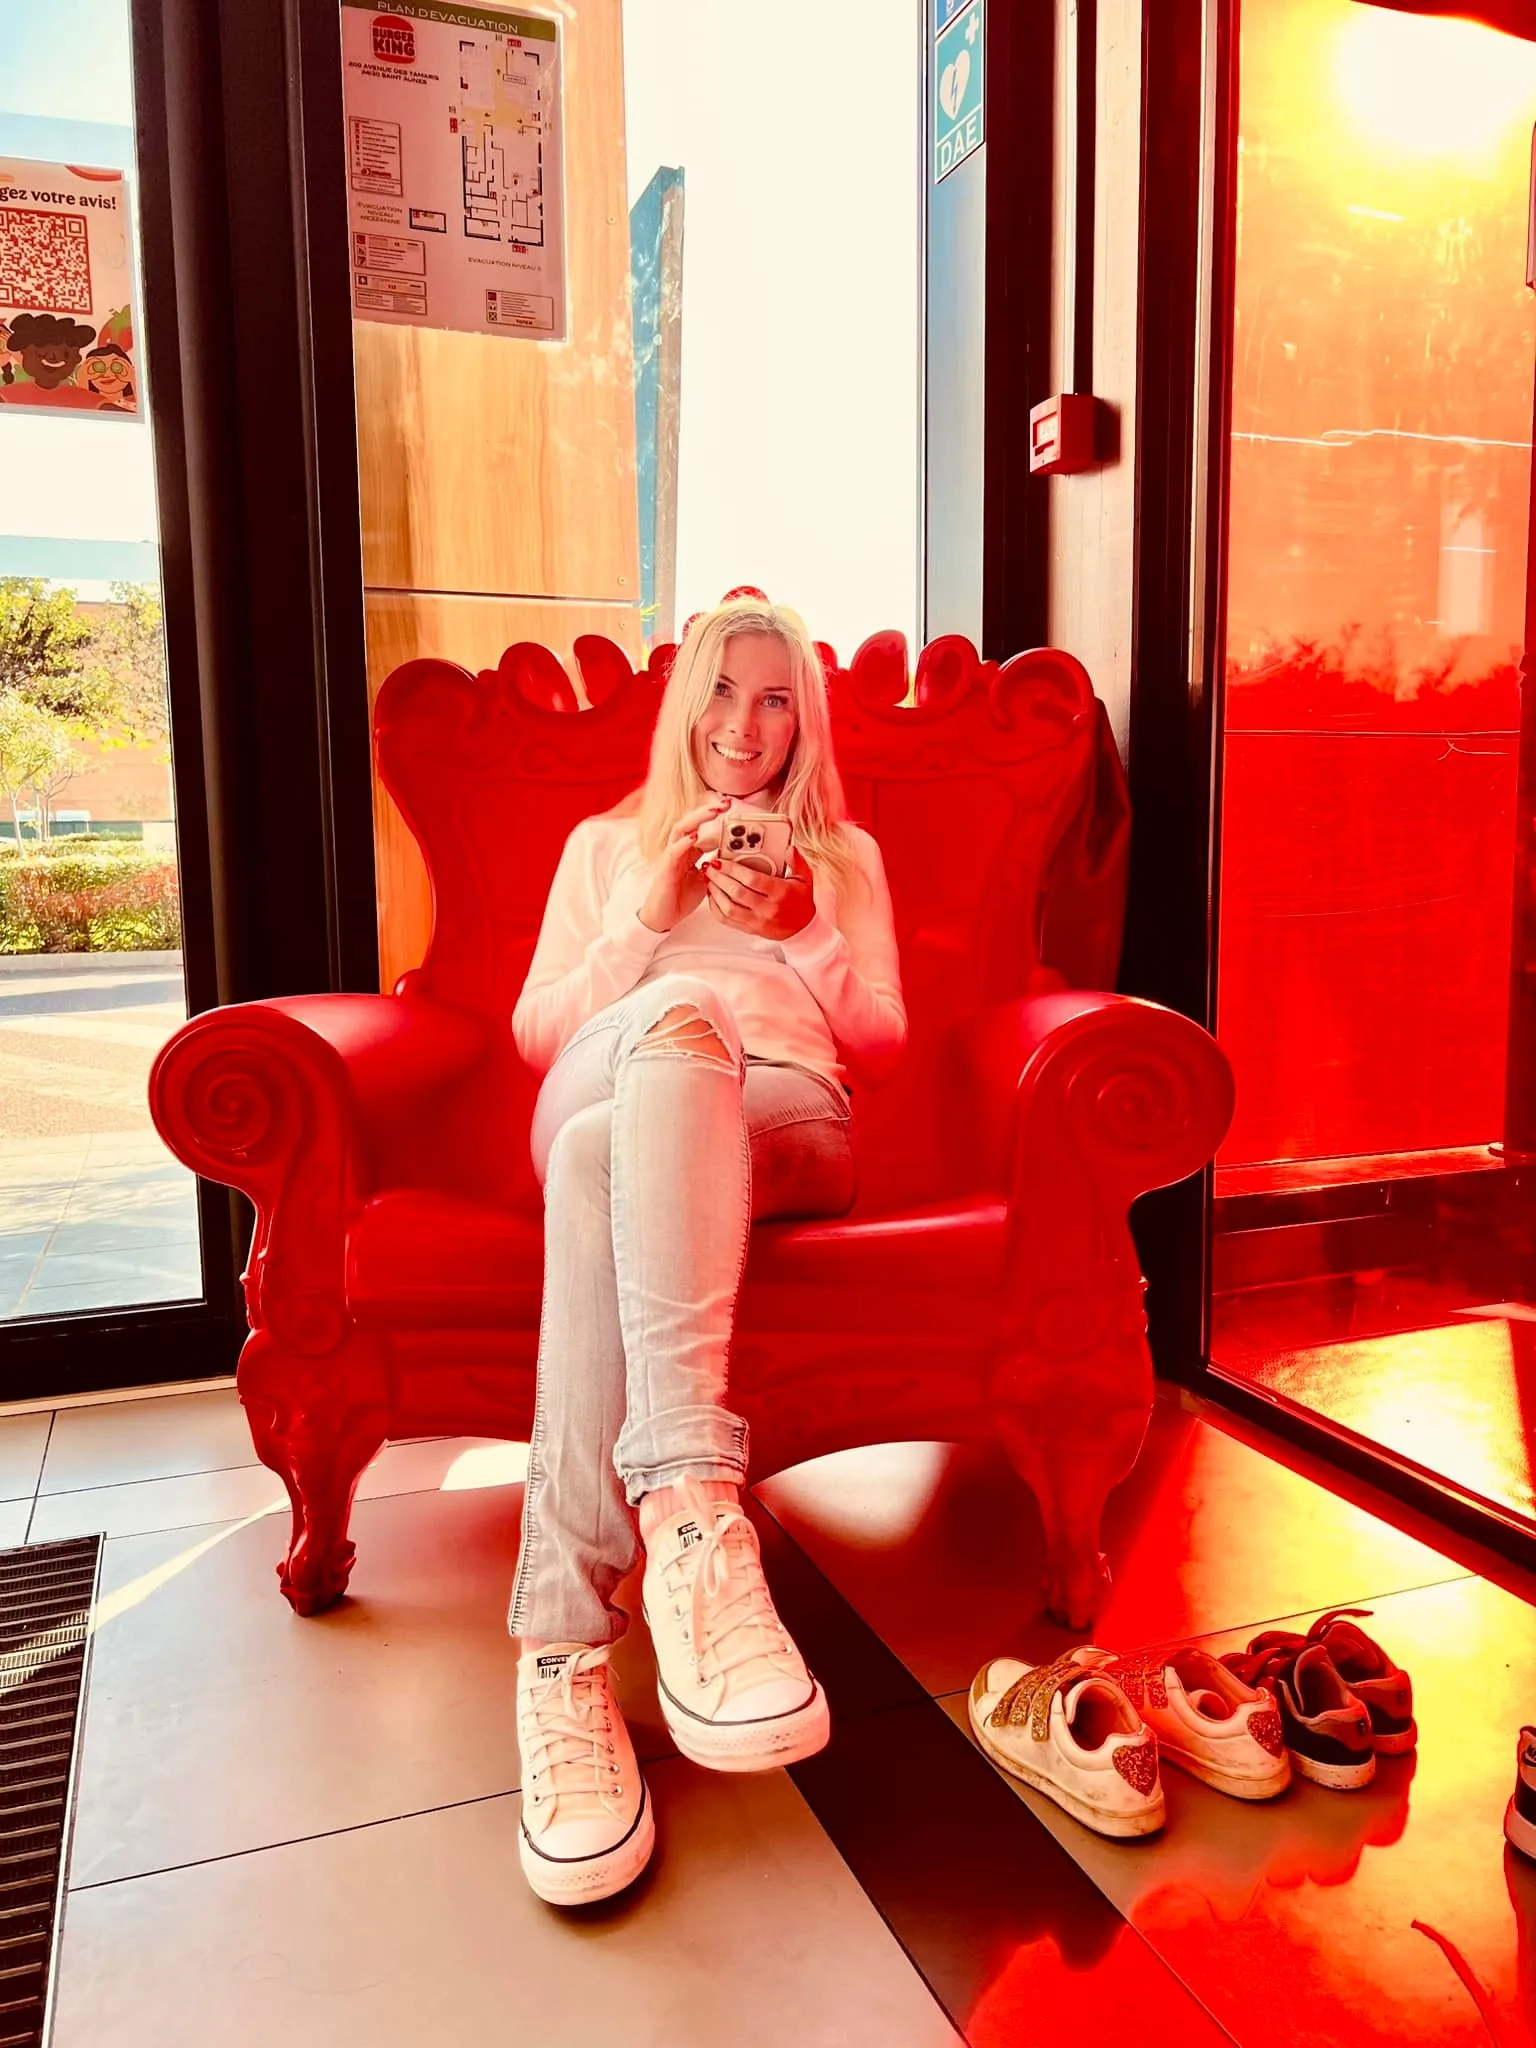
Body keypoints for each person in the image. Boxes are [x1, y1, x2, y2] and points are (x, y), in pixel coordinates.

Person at [508, 593, 906, 1905]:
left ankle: (561, 1653)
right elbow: (536, 1035)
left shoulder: (841, 856)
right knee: (654, 1042)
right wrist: (650, 918)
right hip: (606, 1072)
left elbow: (883, 1042)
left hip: (785, 1117)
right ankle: (690, 1513)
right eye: (724, 692)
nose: (746, 723)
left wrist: (800, 929)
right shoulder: (603, 847)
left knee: (594, 1160)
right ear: (686, 703)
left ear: (804, 720)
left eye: (777, 697)